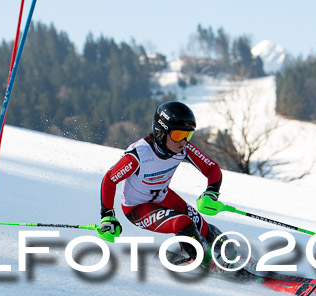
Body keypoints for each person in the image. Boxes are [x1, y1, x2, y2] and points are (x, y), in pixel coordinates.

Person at [97, 101, 226, 264]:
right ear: (161, 132)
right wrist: (107, 216)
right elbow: (110, 179)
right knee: (183, 223)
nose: (184, 141)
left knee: (202, 226)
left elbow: (211, 169)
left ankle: (229, 252)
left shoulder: (183, 148)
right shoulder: (139, 155)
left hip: (162, 196)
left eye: (188, 135)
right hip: (137, 208)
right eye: (179, 135)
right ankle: (204, 260)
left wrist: (211, 192)